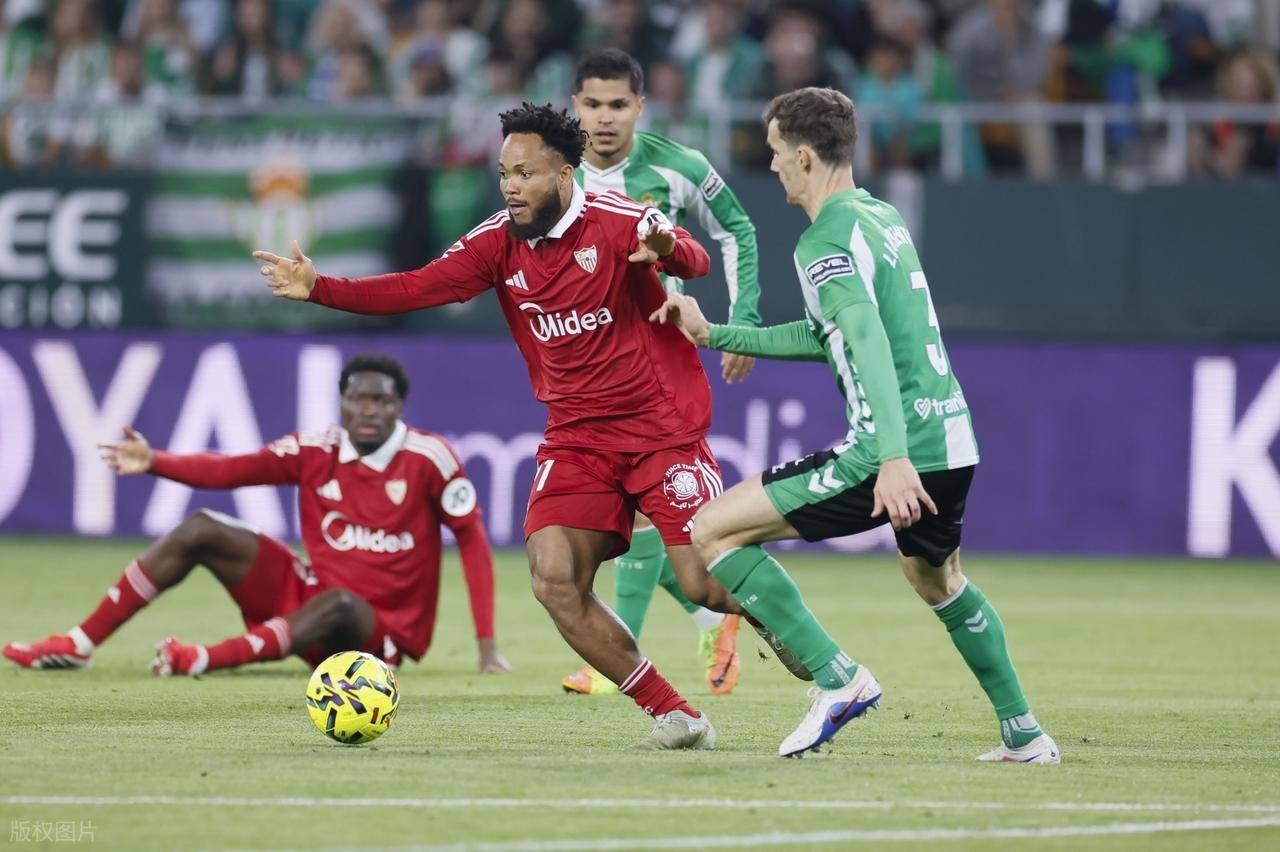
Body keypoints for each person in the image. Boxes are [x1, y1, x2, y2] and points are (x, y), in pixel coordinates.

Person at [252, 103, 728, 751]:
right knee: (554, 579)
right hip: (578, 437)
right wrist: (321, 288)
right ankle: (676, 715)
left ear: (564, 175)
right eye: (503, 173)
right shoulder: (495, 242)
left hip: (656, 427)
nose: (509, 186)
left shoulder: (618, 218)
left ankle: (818, 659)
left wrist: (670, 247)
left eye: (525, 173)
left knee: (707, 584)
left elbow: (695, 260)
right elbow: (415, 288)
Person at [651, 86, 1060, 763]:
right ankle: (1024, 733)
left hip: (893, 451)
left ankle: (837, 679)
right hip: (951, 439)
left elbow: (865, 339)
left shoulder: (825, 241)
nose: (772, 165)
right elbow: (830, 334)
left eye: (777, 151)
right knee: (937, 581)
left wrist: (892, 457)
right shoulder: (880, 217)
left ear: (805, 157)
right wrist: (716, 333)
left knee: (712, 530)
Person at [5, 354, 510, 677]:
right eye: (358, 399)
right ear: (343, 403)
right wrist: (156, 460)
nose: (369, 410)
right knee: (201, 528)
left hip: (379, 636)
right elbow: (231, 469)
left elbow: (471, 538)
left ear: (400, 406)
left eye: (382, 400)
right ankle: (79, 643)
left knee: (339, 603)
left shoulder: (430, 459)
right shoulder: (315, 449)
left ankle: (206, 658)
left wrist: (486, 647)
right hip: (308, 602)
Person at [561, 47, 760, 698]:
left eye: (618, 104)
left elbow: (737, 230)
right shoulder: (557, 174)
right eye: (593, 104)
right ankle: (711, 618)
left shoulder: (681, 166)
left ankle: (611, 660)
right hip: (587, 362)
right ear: (575, 106)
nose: (605, 117)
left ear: (640, 107)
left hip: (656, 362)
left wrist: (742, 322)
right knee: (634, 518)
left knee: (644, 519)